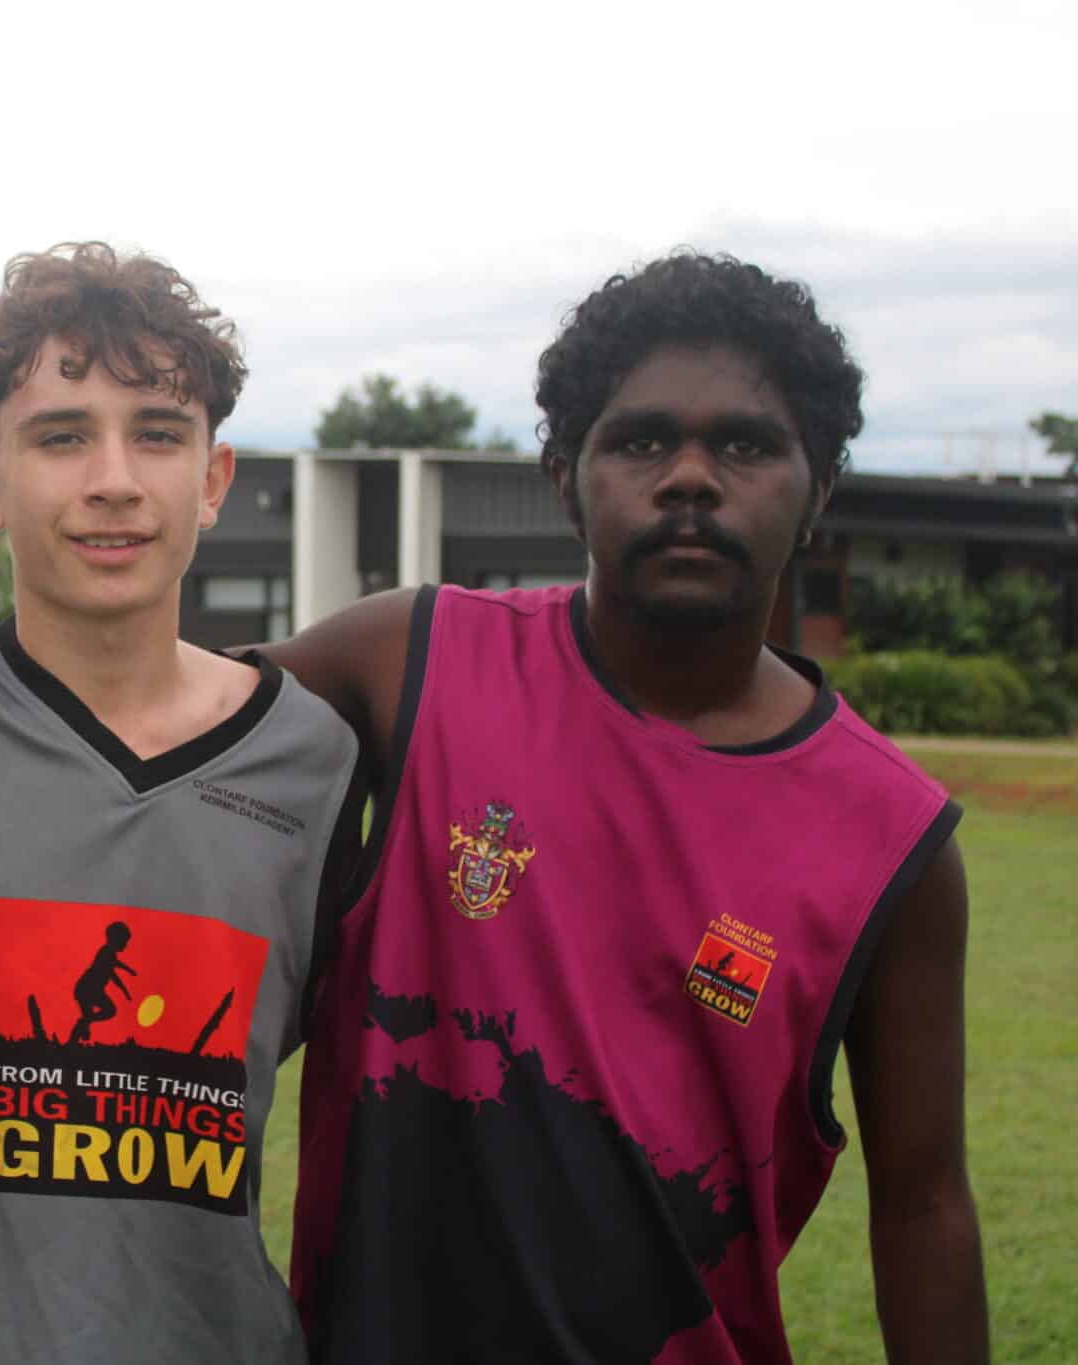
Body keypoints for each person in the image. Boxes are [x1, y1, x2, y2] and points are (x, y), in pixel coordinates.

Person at [269, 251, 988, 1363]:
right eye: (642, 441)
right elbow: (156, 723)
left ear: (819, 490)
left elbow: (924, 1203)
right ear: (565, 477)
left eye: (745, 445)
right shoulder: (405, 662)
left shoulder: (894, 837)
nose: (690, 477)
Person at [0, 243, 368, 1362]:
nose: (114, 478)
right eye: (60, 436)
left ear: (213, 479)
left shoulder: (314, 762)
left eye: (158, 433)